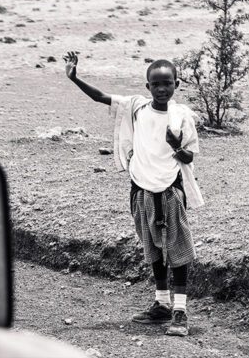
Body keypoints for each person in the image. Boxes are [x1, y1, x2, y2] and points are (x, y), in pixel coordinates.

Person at [63, 51, 204, 337]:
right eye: (156, 84)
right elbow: (100, 96)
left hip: (169, 191)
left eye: (168, 83)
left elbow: (189, 157)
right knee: (152, 249)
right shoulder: (136, 108)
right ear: (147, 87)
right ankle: (161, 304)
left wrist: (176, 146)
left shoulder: (182, 116)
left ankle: (180, 312)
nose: (162, 89)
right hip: (141, 190)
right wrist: (74, 77)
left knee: (177, 252)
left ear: (177, 84)